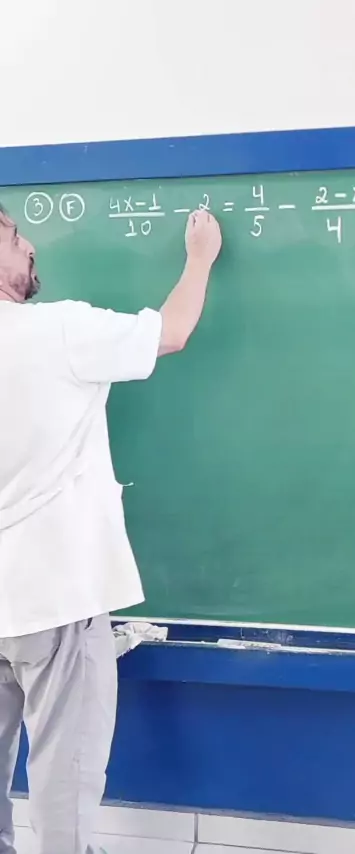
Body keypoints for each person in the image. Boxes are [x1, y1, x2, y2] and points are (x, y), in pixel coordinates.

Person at [0, 203, 222, 854]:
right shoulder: (57, 330)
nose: (30, 245)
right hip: (53, 599)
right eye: (14, 236)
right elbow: (172, 331)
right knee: (64, 787)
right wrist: (200, 258)